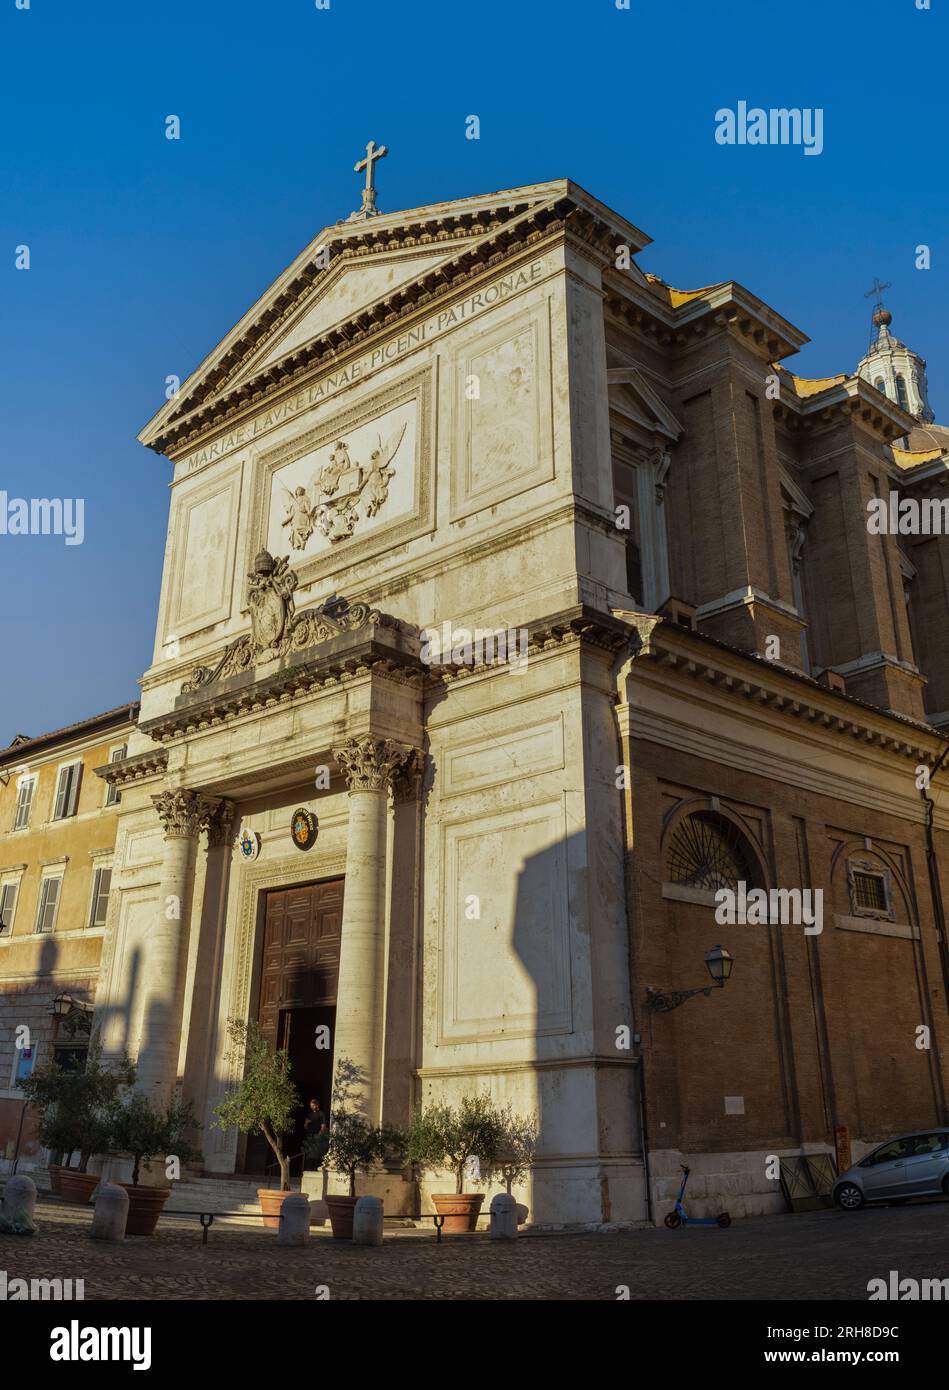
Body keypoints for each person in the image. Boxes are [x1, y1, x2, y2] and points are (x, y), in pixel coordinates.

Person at [303, 1097, 328, 1165]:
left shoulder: (321, 1114)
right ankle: (309, 1166)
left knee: (317, 1153)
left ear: (317, 1105)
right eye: (311, 1106)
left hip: (317, 1136)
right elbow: (305, 1127)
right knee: (309, 1153)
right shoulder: (309, 1115)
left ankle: (316, 1165)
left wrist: (319, 1135)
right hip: (309, 1136)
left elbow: (323, 1126)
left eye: (313, 1105)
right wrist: (306, 1123)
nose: (312, 1107)